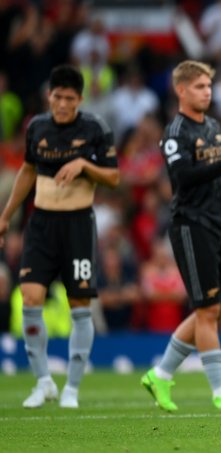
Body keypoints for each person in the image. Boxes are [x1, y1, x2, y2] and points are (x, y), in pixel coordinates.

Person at [140, 60, 221, 412]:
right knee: (208, 310)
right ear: (181, 90)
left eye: (209, 86)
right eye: (199, 86)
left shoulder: (213, 127)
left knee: (208, 309)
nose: (207, 92)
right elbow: (182, 178)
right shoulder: (175, 132)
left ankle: (161, 375)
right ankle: (220, 391)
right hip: (190, 225)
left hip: (216, 225)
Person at [0, 64, 120, 409]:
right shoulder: (36, 127)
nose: (63, 104)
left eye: (69, 98)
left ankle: (72, 388)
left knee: (79, 305)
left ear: (80, 99)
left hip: (78, 225)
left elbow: (113, 178)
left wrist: (84, 165)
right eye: (57, 97)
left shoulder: (95, 129)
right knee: (31, 297)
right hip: (41, 224)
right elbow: (27, 170)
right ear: (48, 96)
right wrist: (6, 217)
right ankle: (43, 382)